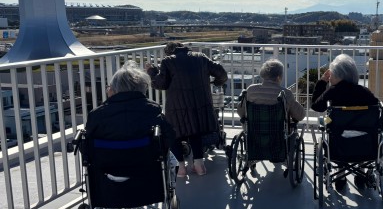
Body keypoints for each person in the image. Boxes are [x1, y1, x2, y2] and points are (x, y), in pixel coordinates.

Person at [146, 42, 228, 178]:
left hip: (177, 106)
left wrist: (152, 71)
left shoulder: (168, 61)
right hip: (201, 104)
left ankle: (181, 168)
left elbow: (160, 84)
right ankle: (199, 165)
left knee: (174, 132)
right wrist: (217, 82)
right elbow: (222, 74)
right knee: (195, 130)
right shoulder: (201, 57)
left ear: (169, 52)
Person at [85, 61, 175, 176]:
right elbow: (169, 138)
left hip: (107, 176)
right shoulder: (152, 111)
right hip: (147, 173)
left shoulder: (96, 115)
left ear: (113, 90)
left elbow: (87, 147)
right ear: (142, 88)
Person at [311, 54, 383, 189]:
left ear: (339, 76)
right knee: (362, 132)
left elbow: (316, 106)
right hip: (366, 146)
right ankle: (361, 173)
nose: (330, 77)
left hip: (340, 147)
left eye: (332, 74)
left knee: (338, 131)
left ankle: (341, 176)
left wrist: (322, 82)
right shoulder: (365, 92)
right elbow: (378, 109)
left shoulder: (333, 91)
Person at [236, 59, 305, 174]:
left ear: (263, 74)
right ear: (278, 77)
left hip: (255, 136)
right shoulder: (285, 94)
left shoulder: (251, 90)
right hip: (278, 138)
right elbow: (300, 115)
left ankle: (253, 158)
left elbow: (240, 112)